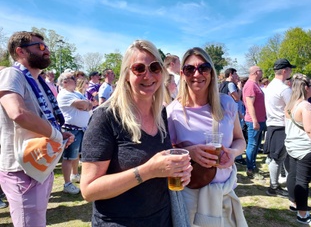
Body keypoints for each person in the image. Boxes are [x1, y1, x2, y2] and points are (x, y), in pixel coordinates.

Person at [80, 40, 191, 226]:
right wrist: (148, 171)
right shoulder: (106, 117)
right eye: (139, 69)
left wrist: (179, 171)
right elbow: (89, 190)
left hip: (162, 219)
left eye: (155, 67)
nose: (148, 75)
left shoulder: (161, 114)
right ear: (126, 75)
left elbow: (161, 166)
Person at [167, 47, 248, 227]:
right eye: (190, 69)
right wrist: (190, 152)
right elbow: (166, 152)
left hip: (226, 191)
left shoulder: (226, 103)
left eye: (203, 68)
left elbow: (240, 140)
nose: (197, 74)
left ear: (211, 72)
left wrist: (233, 153)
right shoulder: (172, 111)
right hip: (191, 195)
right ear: (182, 73)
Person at [0, 31, 74, 226]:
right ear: (20, 51)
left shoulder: (39, 82)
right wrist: (56, 135)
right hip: (21, 169)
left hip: (40, 164)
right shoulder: (11, 74)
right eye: (40, 46)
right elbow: (18, 113)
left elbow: (39, 119)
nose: (47, 50)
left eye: (47, 46)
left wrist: (59, 133)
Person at [285, 73, 311, 226]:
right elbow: (310, 129)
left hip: (293, 145)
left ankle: (294, 203)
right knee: (302, 181)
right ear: (307, 88)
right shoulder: (305, 105)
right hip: (306, 147)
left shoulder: (290, 105)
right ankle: (303, 215)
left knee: (293, 176)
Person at [57, 72, 93, 194]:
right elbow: (84, 104)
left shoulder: (76, 93)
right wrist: (86, 105)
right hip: (70, 130)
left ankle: (75, 174)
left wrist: (86, 105)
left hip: (81, 128)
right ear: (64, 82)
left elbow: (90, 105)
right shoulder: (64, 94)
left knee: (76, 155)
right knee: (68, 157)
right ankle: (67, 183)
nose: (75, 79)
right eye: (72, 78)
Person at [264, 59, 295, 197]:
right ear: (284, 71)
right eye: (290, 69)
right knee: (277, 159)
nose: (291, 72)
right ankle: (274, 187)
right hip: (281, 126)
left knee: (277, 158)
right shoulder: (283, 89)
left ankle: (277, 184)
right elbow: (292, 109)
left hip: (273, 125)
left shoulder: (270, 86)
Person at [242, 65, 266, 179]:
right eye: (261, 71)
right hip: (253, 120)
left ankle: (253, 166)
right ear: (256, 72)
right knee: (252, 144)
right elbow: (250, 104)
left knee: (256, 145)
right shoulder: (251, 85)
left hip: (259, 120)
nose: (262, 73)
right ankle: (250, 168)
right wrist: (255, 120)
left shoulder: (255, 84)